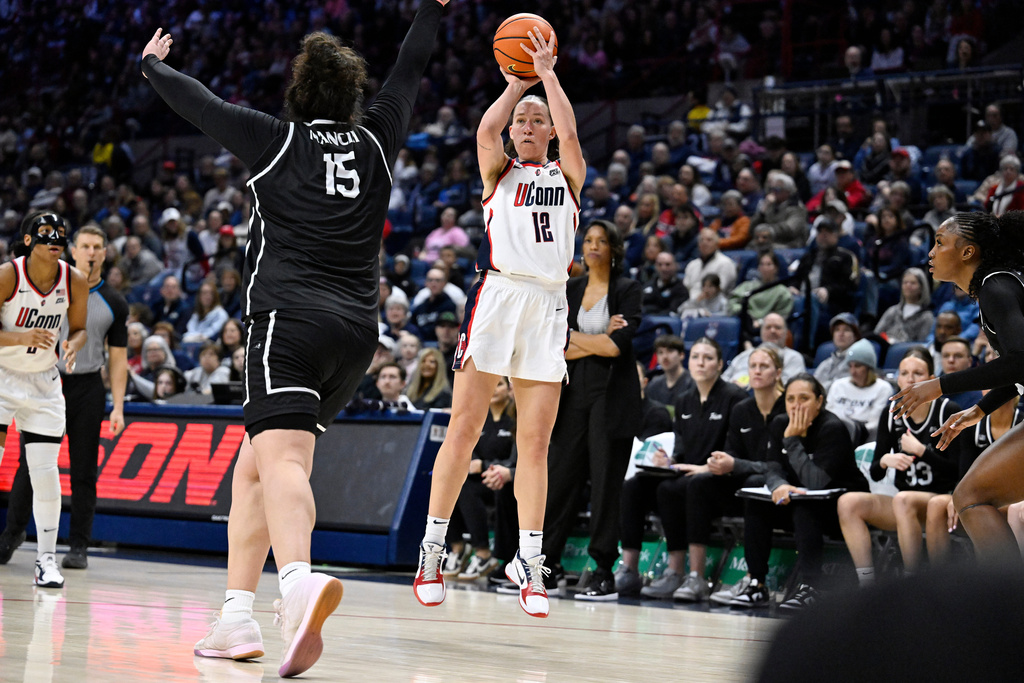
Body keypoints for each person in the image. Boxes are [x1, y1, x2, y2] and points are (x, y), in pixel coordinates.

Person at [139, 1, 448, 675]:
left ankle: (299, 582)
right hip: (356, 335)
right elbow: (412, 64)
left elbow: (200, 104)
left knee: (282, 465)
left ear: (299, 94)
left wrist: (152, 66)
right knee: (253, 467)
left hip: (288, 322)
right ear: (354, 97)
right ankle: (235, 618)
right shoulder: (378, 138)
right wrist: (432, 8)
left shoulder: (276, 139)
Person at [413, 23, 585, 620]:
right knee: (465, 426)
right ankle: (432, 548)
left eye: (537, 121)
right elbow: (486, 128)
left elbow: (568, 129)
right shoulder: (499, 172)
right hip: (498, 295)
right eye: (523, 123)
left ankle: (529, 561)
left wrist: (548, 76)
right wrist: (515, 86)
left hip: (548, 304)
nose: (528, 127)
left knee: (535, 444)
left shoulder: (568, 175)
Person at [892, 211, 1024, 566]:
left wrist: (940, 385)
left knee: (971, 496)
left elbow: (1021, 360)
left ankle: (1011, 606)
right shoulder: (997, 287)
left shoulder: (997, 287)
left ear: (967, 252)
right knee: (970, 495)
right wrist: (979, 410)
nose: (931, 253)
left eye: (939, 242)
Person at [0, 225, 128, 570]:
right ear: (73, 250)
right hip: (44, 379)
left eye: (97, 247)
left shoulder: (114, 301)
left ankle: (78, 547)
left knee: (84, 471)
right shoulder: (52, 283)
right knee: (31, 467)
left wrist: (117, 405)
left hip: (87, 386)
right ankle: (12, 536)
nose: (90, 252)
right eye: (84, 245)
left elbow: (118, 358)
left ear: (104, 253)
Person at [538, 220, 642, 601]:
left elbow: (618, 348)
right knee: (560, 480)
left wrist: (586, 341)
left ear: (614, 248)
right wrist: (598, 338)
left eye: (601, 241)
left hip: (611, 398)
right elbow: (555, 343)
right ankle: (546, 565)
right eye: (589, 240)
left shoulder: (628, 290)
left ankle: (602, 570)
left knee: (605, 485)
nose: (593, 246)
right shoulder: (571, 288)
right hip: (572, 393)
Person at [618, 338, 747, 599]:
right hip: (687, 474)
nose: (701, 362)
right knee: (635, 484)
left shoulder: (735, 398)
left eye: (708, 357)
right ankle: (630, 569)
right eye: (696, 356)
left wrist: (706, 468)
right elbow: (680, 447)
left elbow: (735, 452)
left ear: (720, 364)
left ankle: (694, 576)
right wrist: (667, 460)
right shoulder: (684, 399)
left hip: (722, 479)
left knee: (679, 487)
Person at [0, 211, 89, 588]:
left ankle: (46, 560)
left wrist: (73, 344)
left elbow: (81, 327)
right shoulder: (8, 274)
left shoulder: (74, 280)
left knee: (46, 474)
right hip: (3, 376)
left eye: (60, 236)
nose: (56, 241)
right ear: (27, 241)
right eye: (47, 235)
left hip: (45, 383)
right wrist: (19, 338)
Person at [742, 374, 868, 611]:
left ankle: (811, 587)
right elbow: (771, 466)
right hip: (801, 499)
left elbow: (816, 482)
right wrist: (779, 484)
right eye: (790, 399)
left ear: (819, 402)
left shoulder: (832, 428)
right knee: (757, 503)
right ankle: (757, 584)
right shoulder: (780, 422)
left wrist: (791, 440)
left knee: (804, 508)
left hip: (838, 508)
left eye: (804, 398)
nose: (796, 405)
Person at [837, 347, 960, 584]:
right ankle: (867, 583)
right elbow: (874, 470)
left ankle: (910, 583)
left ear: (932, 378)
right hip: (904, 507)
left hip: (940, 502)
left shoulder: (948, 411)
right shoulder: (891, 413)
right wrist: (884, 461)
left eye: (918, 373)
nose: (910, 379)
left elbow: (957, 470)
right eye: (904, 373)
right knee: (848, 503)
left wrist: (922, 451)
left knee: (903, 500)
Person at [676, 345, 788, 604]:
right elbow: (733, 456)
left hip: (782, 490)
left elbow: (778, 466)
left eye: (764, 366)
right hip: (744, 488)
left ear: (778, 372)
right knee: (698, 484)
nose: (757, 371)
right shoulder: (742, 409)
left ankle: (755, 580)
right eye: (753, 366)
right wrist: (720, 464)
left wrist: (736, 465)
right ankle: (695, 576)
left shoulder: (786, 407)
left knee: (753, 483)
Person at [443, 377, 516, 581]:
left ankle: (485, 554)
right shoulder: (479, 418)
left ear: (509, 389)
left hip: (505, 480)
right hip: (480, 479)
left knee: (478, 488)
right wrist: (473, 463)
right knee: (456, 485)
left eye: (499, 384)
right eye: (490, 384)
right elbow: (468, 451)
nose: (493, 389)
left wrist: (485, 466)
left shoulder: (514, 417)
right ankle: (458, 547)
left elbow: (514, 459)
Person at [824, 339, 893, 442]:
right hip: (833, 436)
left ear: (868, 368)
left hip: (863, 439)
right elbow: (827, 415)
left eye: (857, 366)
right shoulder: (838, 385)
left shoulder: (883, 388)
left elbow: (874, 425)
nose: (853, 371)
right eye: (850, 366)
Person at [722, 313, 807, 387]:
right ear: (761, 332)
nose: (772, 331)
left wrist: (747, 387)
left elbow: (790, 387)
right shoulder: (745, 355)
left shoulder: (793, 357)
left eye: (777, 327)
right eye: (768, 327)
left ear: (786, 333)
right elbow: (723, 380)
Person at [874, 268, 933, 343]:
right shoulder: (893, 310)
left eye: (913, 283)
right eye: (905, 282)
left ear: (921, 288)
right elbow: (876, 333)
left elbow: (922, 343)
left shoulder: (926, 316)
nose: (908, 286)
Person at [814, 313, 861, 390]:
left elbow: (841, 389)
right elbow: (811, 387)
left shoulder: (858, 364)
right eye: (837, 330)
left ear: (855, 336)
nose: (841, 334)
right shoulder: (825, 364)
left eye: (846, 330)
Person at [640, 251, 688, 315]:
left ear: (675, 266)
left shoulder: (681, 289)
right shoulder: (648, 285)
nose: (663, 268)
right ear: (655, 266)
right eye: (660, 265)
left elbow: (672, 310)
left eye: (667, 264)